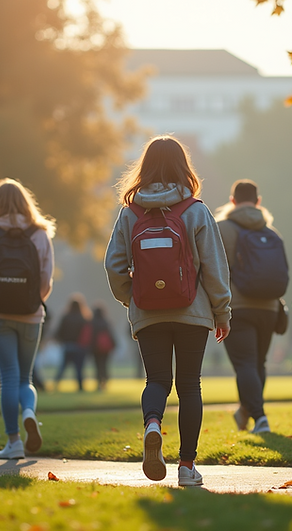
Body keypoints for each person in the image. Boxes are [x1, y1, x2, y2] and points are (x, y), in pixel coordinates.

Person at [104, 135, 231, 487]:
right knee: (190, 385)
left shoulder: (130, 214)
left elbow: (113, 266)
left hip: (148, 313)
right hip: (194, 312)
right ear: (183, 167)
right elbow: (216, 268)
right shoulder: (196, 211)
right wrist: (222, 312)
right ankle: (187, 467)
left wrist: (133, 299)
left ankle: (153, 424)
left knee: (157, 379)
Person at [0, 178, 55, 459]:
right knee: (25, 377)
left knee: (7, 377)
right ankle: (29, 411)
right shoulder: (40, 233)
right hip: (31, 315)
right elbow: (46, 280)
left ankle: (14, 442)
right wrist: (32, 300)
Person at [215, 179, 286, 434]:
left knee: (245, 364)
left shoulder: (222, 229)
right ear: (258, 201)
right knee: (258, 364)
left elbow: (211, 269)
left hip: (238, 307)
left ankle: (260, 417)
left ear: (232, 201)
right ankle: (246, 413)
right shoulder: (271, 233)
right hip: (269, 308)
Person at [53, 295, 91, 392]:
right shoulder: (84, 318)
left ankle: (55, 385)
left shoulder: (65, 317)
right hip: (80, 347)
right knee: (79, 368)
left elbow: (58, 332)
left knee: (62, 367)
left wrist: (62, 341)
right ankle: (80, 388)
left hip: (67, 345)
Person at [88, 303, 117, 391]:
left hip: (95, 348)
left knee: (97, 365)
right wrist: (114, 344)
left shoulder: (91, 322)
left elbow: (90, 336)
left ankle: (98, 382)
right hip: (105, 348)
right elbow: (111, 334)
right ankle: (105, 381)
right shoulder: (106, 322)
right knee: (104, 365)